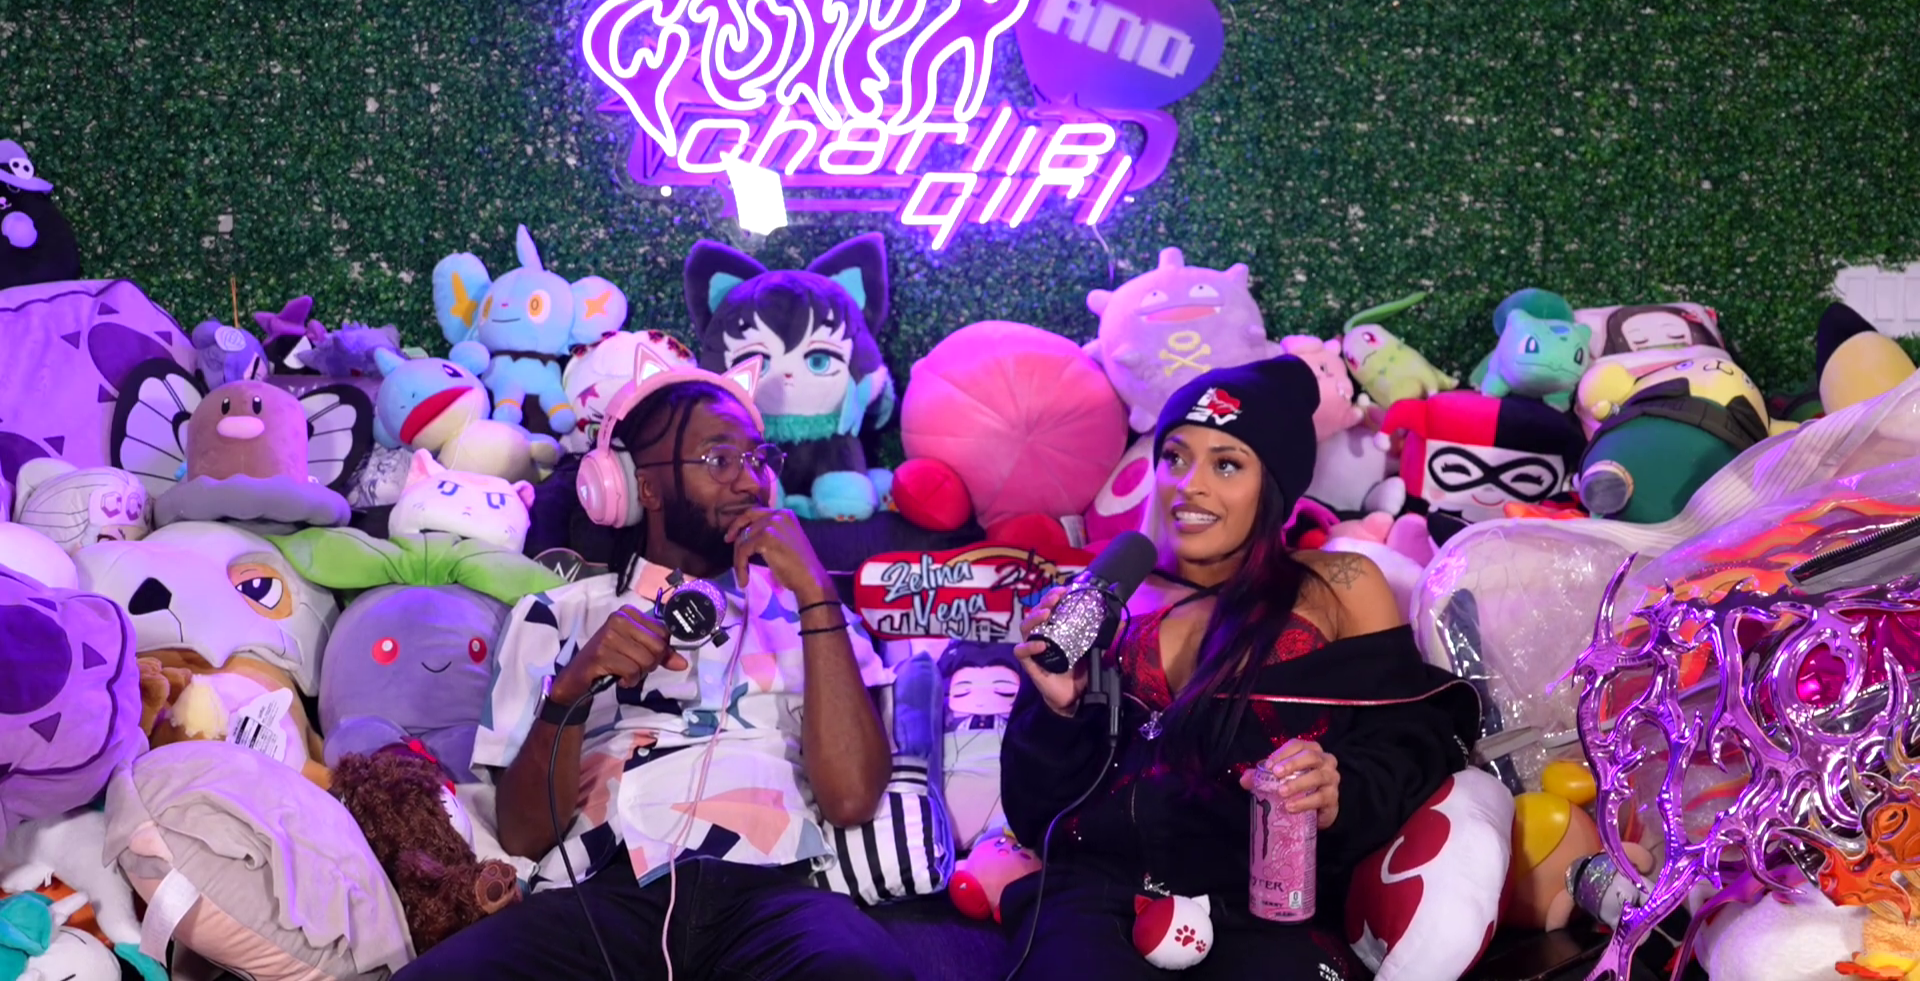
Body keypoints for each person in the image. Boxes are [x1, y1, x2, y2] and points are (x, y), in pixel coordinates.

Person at [396, 362, 910, 981]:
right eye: (720, 459)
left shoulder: (817, 616)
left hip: (775, 893)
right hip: (602, 896)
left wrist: (817, 595)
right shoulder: (557, 615)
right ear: (642, 487)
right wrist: (571, 692)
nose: (751, 480)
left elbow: (852, 799)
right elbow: (525, 835)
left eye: (758, 458)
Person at [1000, 355, 1482, 980]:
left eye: (1226, 464)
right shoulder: (1103, 600)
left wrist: (1340, 793)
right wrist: (1056, 713)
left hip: (1267, 910)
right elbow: (1034, 812)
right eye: (1175, 458)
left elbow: (1413, 744)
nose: (1189, 485)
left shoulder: (1338, 585)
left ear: (1273, 486)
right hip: (1098, 897)